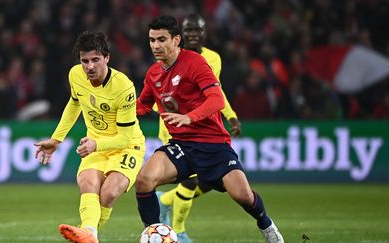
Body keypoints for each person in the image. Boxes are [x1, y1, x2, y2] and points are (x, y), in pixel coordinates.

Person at [135, 15, 284, 243]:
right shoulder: (154, 73)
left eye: (162, 39)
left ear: (176, 40)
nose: (156, 45)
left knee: (243, 196)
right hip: (182, 146)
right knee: (145, 179)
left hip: (213, 144)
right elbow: (142, 105)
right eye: (152, 40)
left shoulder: (195, 62)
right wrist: (115, 108)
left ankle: (266, 225)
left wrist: (189, 117)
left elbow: (216, 99)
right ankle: (154, 234)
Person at [34, 31, 145, 243]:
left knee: (109, 194)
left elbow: (124, 137)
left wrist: (96, 144)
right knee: (87, 182)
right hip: (96, 144)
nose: (90, 66)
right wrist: (56, 139)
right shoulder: (76, 75)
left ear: (107, 58)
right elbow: (75, 102)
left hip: (127, 146)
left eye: (95, 60)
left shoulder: (124, 87)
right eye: (85, 61)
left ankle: (87, 234)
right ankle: (89, 236)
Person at [154, 13, 242, 242]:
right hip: (176, 131)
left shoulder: (214, 58)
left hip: (204, 127)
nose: (193, 34)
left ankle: (165, 202)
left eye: (197, 30)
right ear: (180, 35)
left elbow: (216, 91)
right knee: (190, 179)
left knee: (212, 179)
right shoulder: (170, 58)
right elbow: (157, 93)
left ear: (204, 33)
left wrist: (230, 116)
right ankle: (179, 230)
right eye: (189, 30)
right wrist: (171, 111)